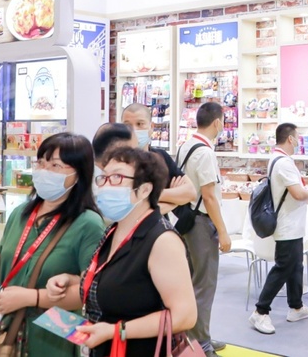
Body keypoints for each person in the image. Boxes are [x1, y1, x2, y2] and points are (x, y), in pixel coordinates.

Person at [0, 133, 106, 356]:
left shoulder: (88, 224)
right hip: (9, 329)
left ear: (78, 174)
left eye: (55, 165)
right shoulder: (21, 214)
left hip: (54, 337)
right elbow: (0, 274)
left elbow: (89, 292)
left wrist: (31, 297)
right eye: (41, 163)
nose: (44, 171)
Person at [45, 147, 197, 356]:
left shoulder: (162, 241)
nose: (106, 186)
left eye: (117, 178)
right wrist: (71, 281)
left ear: (144, 190)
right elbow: (119, 282)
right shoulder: (114, 230)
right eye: (103, 178)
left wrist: (116, 331)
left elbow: (185, 316)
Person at [249, 123, 308, 336]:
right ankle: (260, 311)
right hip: (287, 224)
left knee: (295, 266)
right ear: (290, 139)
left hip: (293, 225)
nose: (298, 141)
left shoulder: (277, 159)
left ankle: (296, 307)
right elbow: (298, 194)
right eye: (297, 137)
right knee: (283, 267)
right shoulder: (284, 163)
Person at [178, 101, 231, 357]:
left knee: (191, 282)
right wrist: (223, 231)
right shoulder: (206, 153)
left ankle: (193, 337)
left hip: (186, 221)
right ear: (217, 123)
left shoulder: (185, 146)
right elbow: (209, 196)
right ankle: (201, 344)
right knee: (204, 284)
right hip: (201, 224)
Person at [122, 104, 197, 213]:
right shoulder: (118, 162)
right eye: (127, 125)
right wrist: (173, 200)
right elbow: (130, 210)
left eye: (140, 124)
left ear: (151, 127)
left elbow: (190, 193)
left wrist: (148, 195)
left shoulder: (161, 157)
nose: (134, 130)